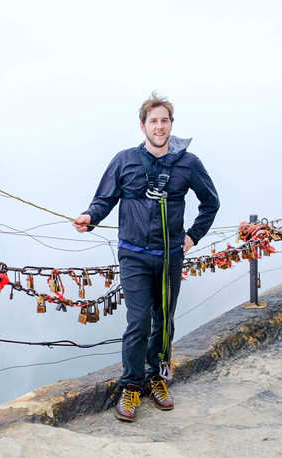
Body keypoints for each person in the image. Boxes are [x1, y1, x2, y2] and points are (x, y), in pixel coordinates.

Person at [73, 93, 219, 422]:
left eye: (164, 120)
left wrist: (193, 236)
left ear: (171, 124)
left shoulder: (189, 163)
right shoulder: (124, 160)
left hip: (170, 256)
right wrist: (89, 218)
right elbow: (104, 199)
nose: (159, 126)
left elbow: (211, 202)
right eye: (153, 121)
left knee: (164, 321)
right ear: (143, 126)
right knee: (139, 321)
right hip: (134, 255)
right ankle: (131, 386)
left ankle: (159, 378)